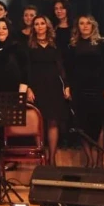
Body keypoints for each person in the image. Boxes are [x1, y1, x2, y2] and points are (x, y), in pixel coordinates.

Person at [67, 15, 104, 168]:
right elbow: (69, 69)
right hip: (79, 89)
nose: (85, 26)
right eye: (82, 23)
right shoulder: (73, 45)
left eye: (88, 23)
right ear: (78, 26)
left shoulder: (102, 43)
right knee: (82, 124)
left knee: (99, 124)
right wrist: (68, 86)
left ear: (93, 25)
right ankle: (90, 160)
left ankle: (100, 160)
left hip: (97, 88)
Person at [27, 15, 69, 166]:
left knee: (53, 121)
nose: (39, 26)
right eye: (36, 24)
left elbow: (61, 67)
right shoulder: (29, 46)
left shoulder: (55, 44)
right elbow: (26, 69)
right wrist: (28, 88)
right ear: (33, 27)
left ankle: (52, 158)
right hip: (36, 87)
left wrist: (66, 85)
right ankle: (41, 157)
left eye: (42, 23)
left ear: (47, 26)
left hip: (53, 86)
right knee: (38, 123)